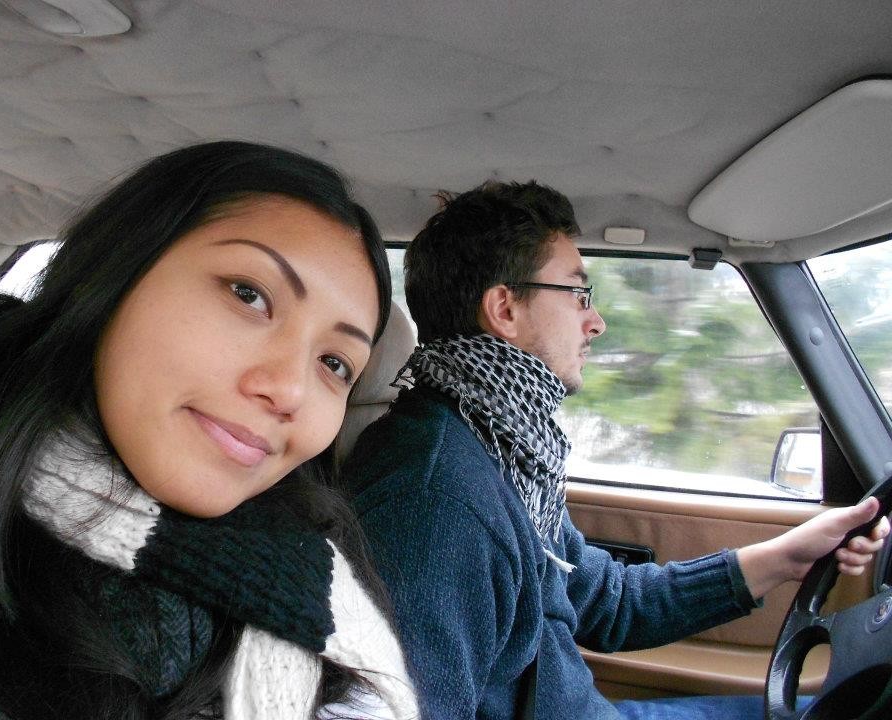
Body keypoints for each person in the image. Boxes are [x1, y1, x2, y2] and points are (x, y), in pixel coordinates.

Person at [340, 180, 889, 719]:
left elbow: (608, 604)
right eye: (578, 294)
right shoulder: (435, 497)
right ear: (504, 308)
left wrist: (786, 557)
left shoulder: (502, 447)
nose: (596, 322)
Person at [0, 141, 418, 720]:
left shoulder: (329, 606)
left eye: (335, 364)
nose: (289, 391)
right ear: (112, 279)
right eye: (249, 294)